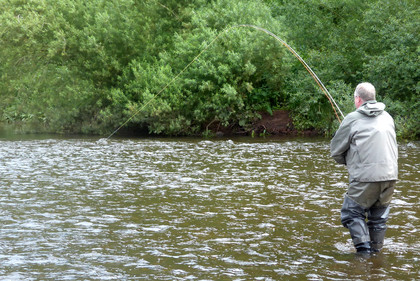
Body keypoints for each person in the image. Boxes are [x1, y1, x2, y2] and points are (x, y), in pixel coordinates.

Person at [330, 82, 398, 254]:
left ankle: (363, 254)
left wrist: (349, 161)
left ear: (358, 99)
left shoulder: (352, 118)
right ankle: (376, 256)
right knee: (378, 219)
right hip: (391, 176)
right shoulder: (388, 117)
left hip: (365, 178)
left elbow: (336, 151)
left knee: (351, 212)